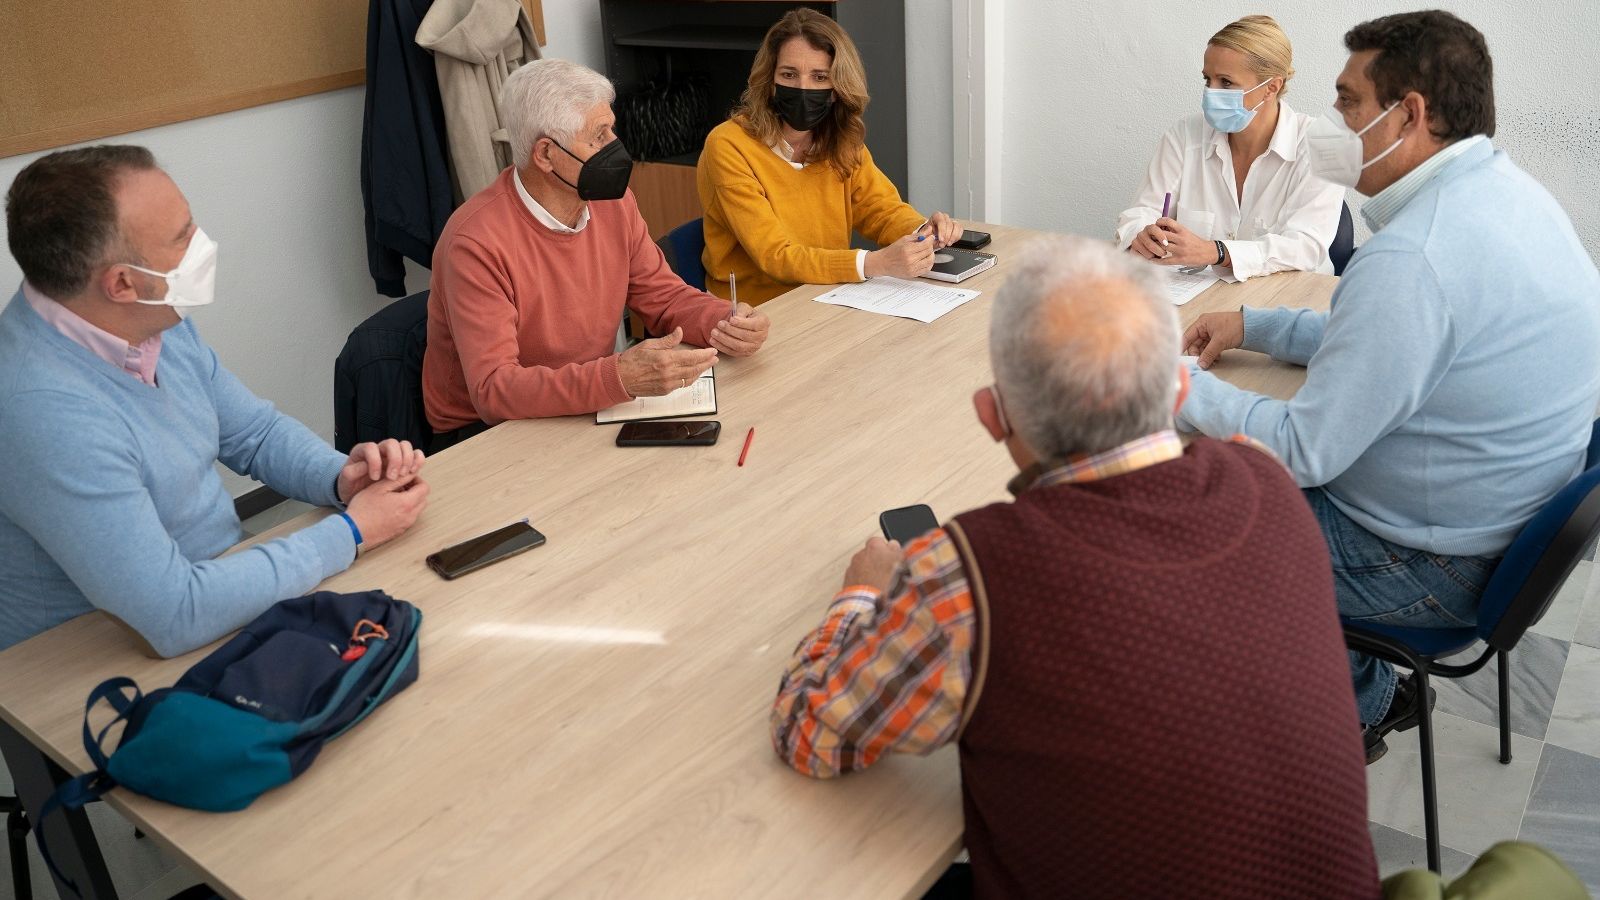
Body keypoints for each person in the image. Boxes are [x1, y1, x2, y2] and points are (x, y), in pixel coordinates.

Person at [770, 236, 1378, 897]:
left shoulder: (970, 574)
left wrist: (860, 597)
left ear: (991, 415)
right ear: (1180, 389)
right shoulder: (1266, 481)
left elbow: (812, 732)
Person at [1179, 11, 1600, 763]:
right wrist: (1259, 326)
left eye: (1346, 101)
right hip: (1503, 521)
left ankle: (1348, 708)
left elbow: (1305, 449)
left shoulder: (1416, 257)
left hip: (1432, 562)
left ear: (1409, 114)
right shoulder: (1505, 194)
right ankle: (1354, 681)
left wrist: (1169, 384)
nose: (1328, 123)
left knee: (1192, 519)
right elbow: (1400, 349)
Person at [0, 146, 430, 658]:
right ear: (121, 283)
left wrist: (340, 478)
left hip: (224, 584)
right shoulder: (42, 411)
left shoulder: (148, 314)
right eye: (182, 237)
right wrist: (352, 531)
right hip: (96, 664)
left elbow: (253, 432)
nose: (202, 244)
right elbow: (174, 613)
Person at [422, 59, 771, 439]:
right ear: (545, 155)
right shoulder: (474, 244)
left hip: (583, 403)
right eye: (599, 136)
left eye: (611, 130)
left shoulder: (612, 203)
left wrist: (726, 320)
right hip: (487, 432)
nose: (616, 148)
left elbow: (664, 297)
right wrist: (616, 376)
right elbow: (494, 389)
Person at [697, 9, 960, 305]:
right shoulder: (728, 146)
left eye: (820, 77)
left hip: (825, 294)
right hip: (754, 310)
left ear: (837, 88)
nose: (802, 88)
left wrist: (922, 233)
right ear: (769, 81)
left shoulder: (841, 141)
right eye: (788, 74)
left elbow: (881, 210)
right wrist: (875, 263)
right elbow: (776, 256)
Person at [1117, 15, 1344, 280]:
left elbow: (1306, 247)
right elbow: (1140, 213)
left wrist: (1218, 252)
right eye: (1207, 79)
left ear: (1271, 87)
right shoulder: (1184, 136)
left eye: (1225, 82)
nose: (1211, 92)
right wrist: (1141, 235)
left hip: (1287, 303)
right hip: (1197, 294)